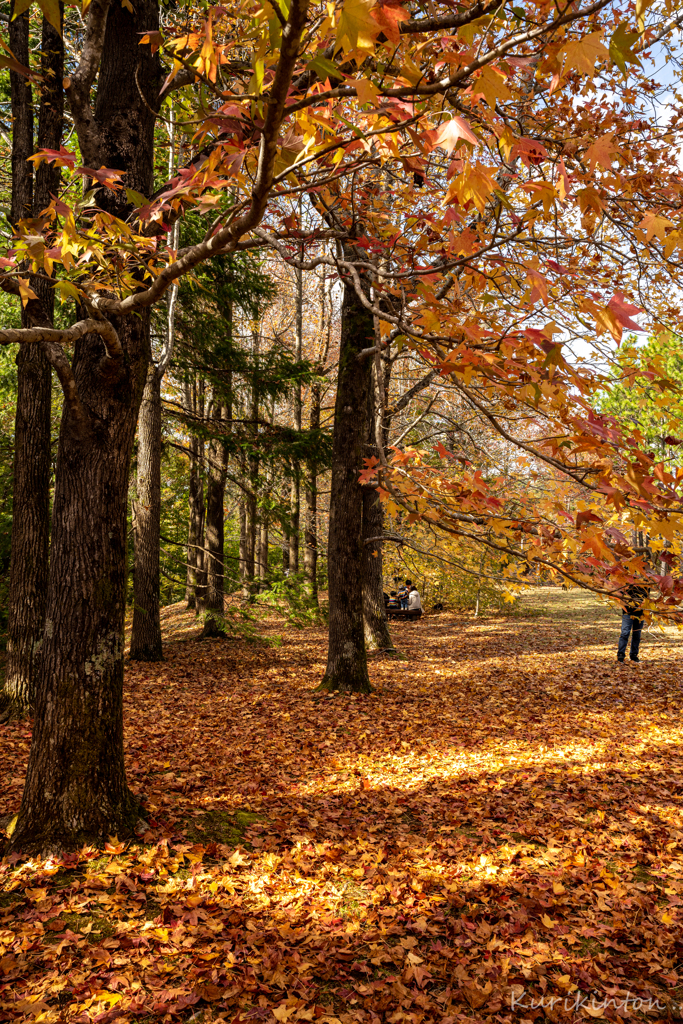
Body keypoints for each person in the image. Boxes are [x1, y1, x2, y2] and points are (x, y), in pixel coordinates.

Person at [617, 583, 648, 663]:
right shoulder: (627, 582)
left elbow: (646, 597)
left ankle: (634, 656)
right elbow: (621, 596)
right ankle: (620, 655)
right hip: (627, 613)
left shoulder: (644, 584)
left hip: (640, 613)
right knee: (625, 633)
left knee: (637, 634)